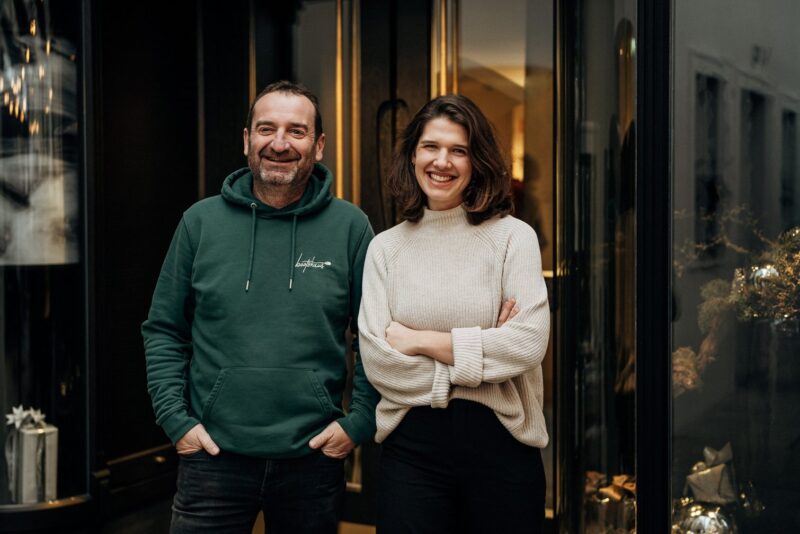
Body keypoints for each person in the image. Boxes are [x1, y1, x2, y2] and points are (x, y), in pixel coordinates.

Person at [142, 80, 378, 534]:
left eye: (297, 131)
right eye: (266, 129)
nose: (280, 143)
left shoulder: (351, 227)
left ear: (319, 144)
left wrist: (360, 421)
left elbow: (373, 337)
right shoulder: (199, 223)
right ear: (247, 139)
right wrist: (175, 419)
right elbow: (164, 329)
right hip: (212, 456)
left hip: (312, 456)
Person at [359, 94, 550, 534]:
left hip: (503, 447)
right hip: (412, 453)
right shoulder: (384, 249)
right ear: (412, 155)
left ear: (476, 161)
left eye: (458, 150)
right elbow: (380, 362)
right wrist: (483, 356)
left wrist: (422, 341)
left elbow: (527, 343)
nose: (442, 162)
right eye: (431, 146)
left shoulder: (512, 238)